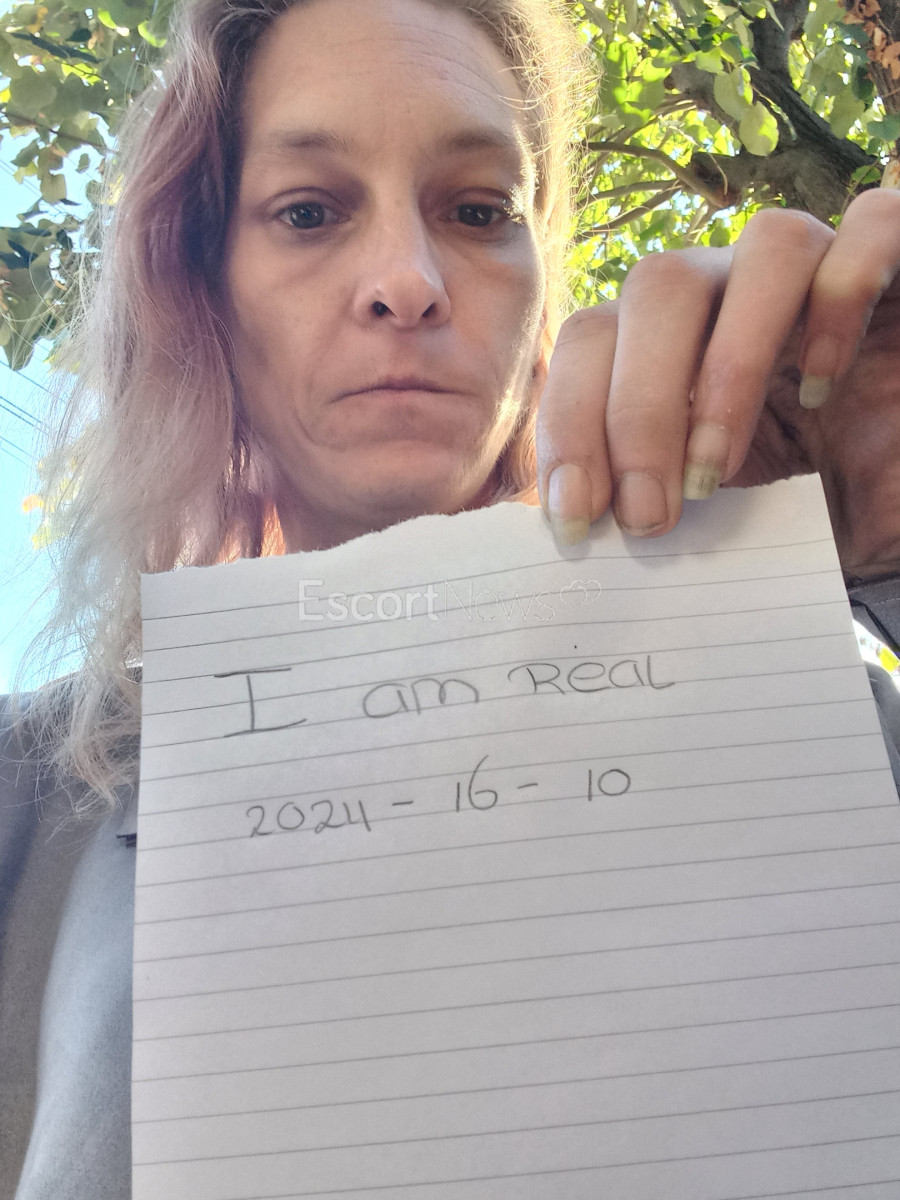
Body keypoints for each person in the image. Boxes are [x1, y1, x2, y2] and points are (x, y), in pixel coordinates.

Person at [1, 0, 899, 1193]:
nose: (407, 282)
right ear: (201, 284)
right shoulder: (28, 795)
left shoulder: (835, 719)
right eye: (308, 211)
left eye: (479, 211)